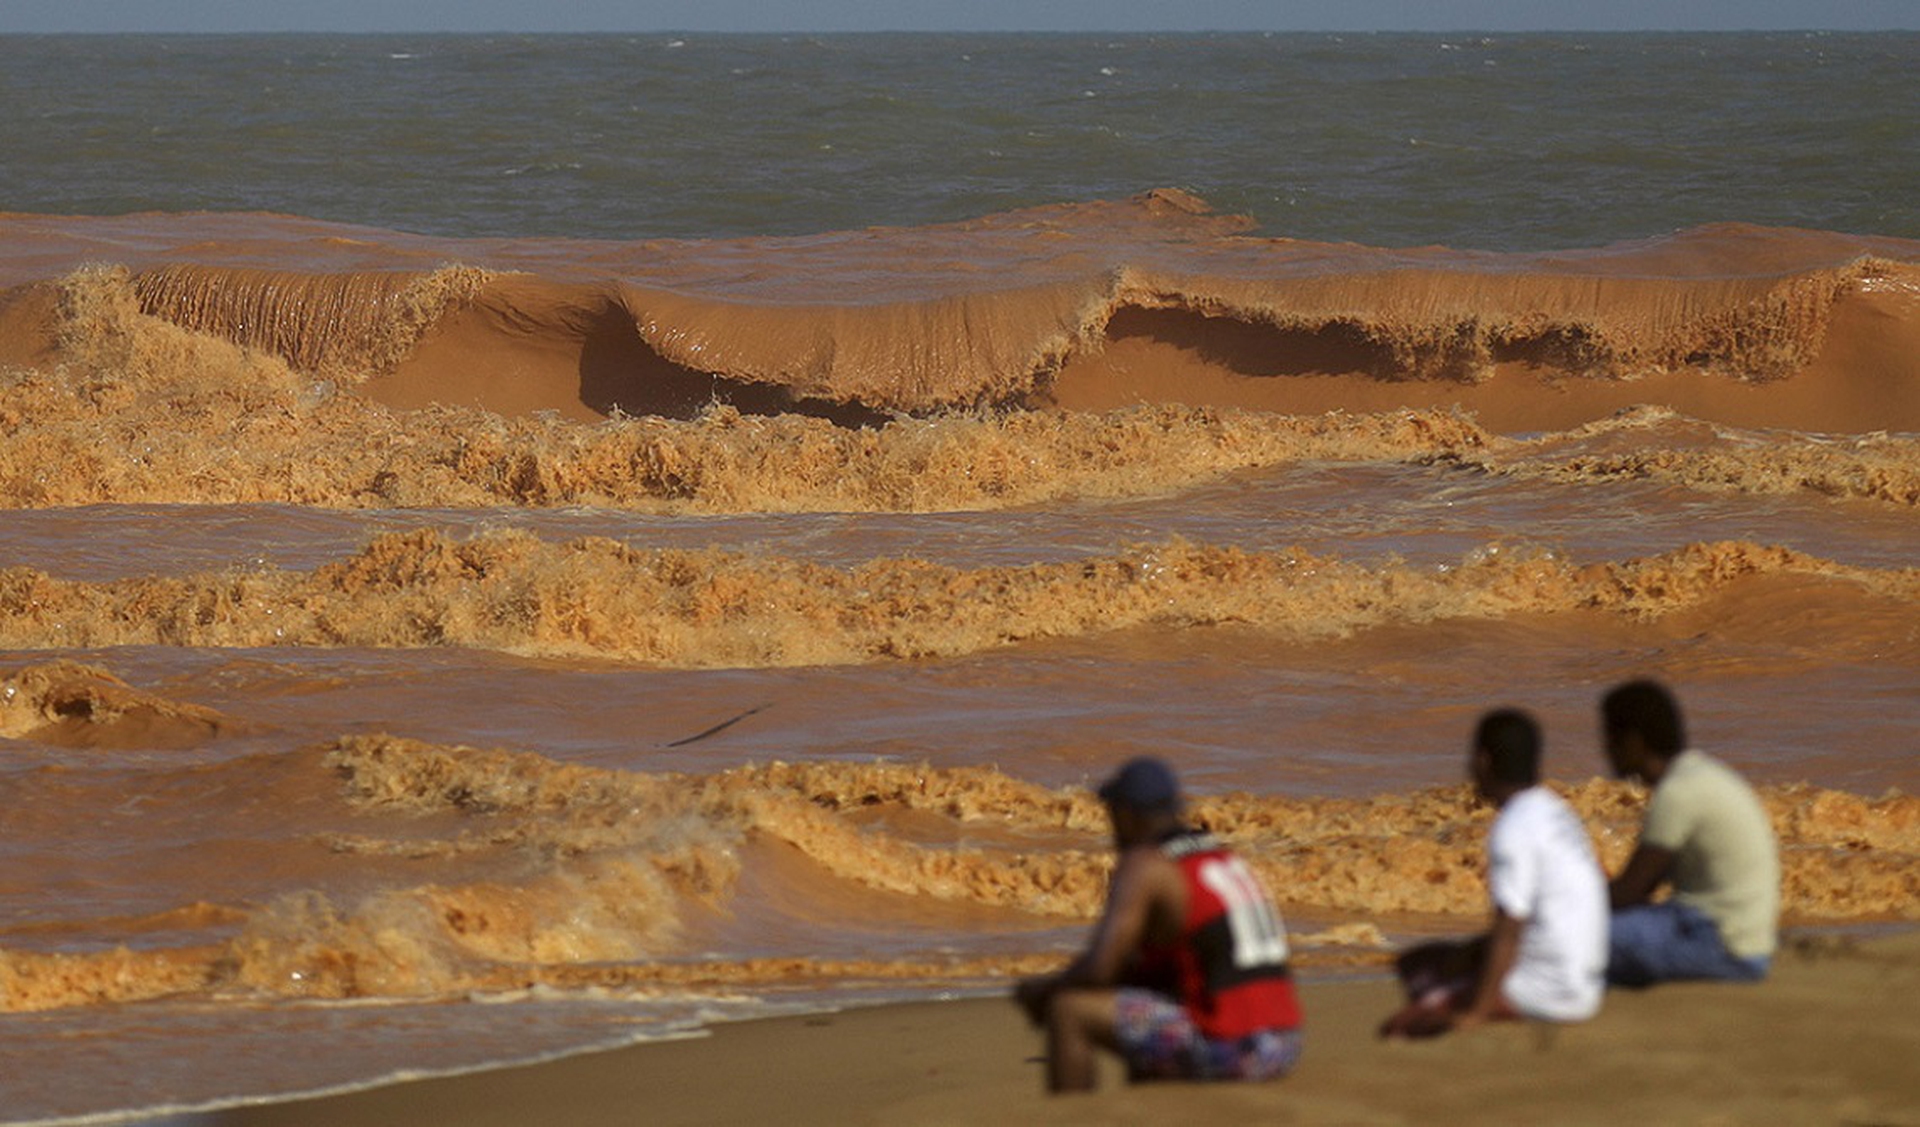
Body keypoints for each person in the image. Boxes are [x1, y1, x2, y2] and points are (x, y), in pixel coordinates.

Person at [1013, 756, 1303, 1093]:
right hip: (1285, 1040)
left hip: (1239, 1046)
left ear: (1126, 815)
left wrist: (1044, 992)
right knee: (1147, 1000)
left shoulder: (1146, 864)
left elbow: (1100, 969)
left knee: (1070, 1011)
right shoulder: (1219, 857)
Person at [1379, 708, 1608, 1038]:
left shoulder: (1513, 827)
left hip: (1550, 993)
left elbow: (1509, 927)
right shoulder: (1556, 811)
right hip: (1587, 983)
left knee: (1403, 1015)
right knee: (1436, 960)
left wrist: (1476, 1013)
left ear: (1483, 761)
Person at [1599, 679, 1779, 986]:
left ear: (1633, 742)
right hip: (1746, 941)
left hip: (1719, 945)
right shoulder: (1700, 774)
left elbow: (1631, 890)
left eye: (1610, 739)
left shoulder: (1678, 792)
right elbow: (1647, 886)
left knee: (1580, 939)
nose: (1605, 750)